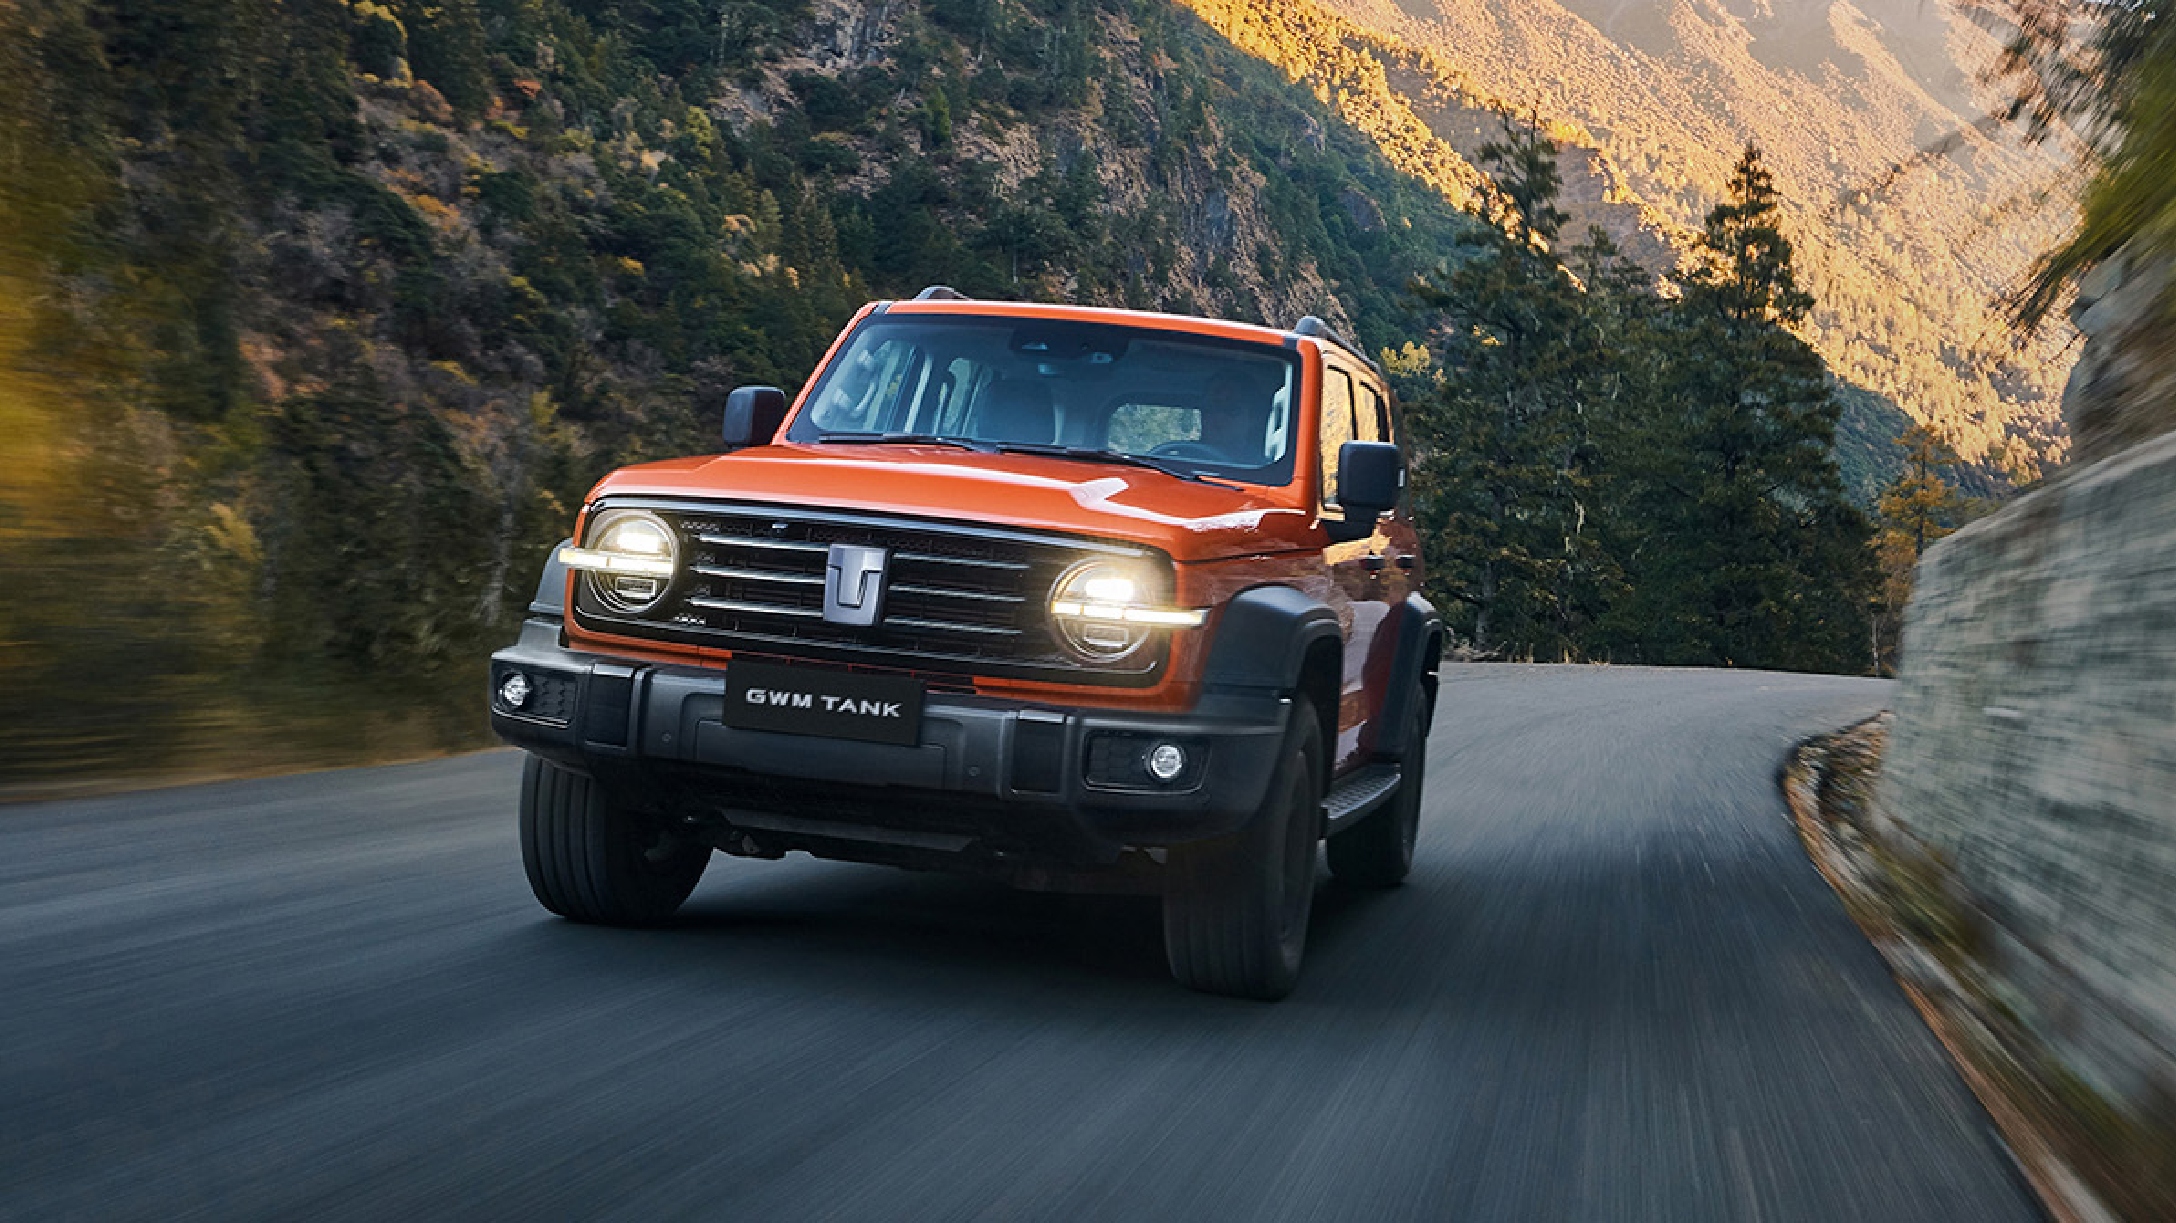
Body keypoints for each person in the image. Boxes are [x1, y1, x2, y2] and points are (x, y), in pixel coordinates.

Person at [1196, 370, 1272, 465]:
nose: (1219, 416)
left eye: (1231, 409)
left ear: (1253, 418)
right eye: (1212, 408)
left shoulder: (1261, 470)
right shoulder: (1181, 457)